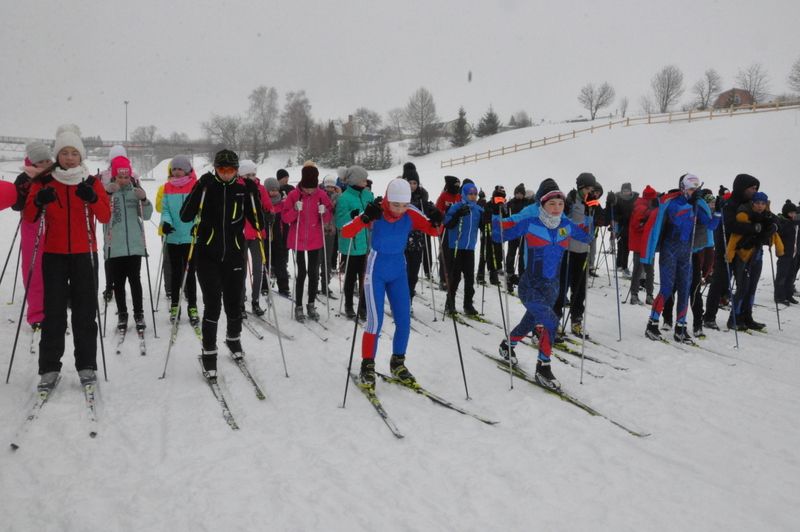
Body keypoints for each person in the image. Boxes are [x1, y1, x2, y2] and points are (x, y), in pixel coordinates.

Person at [23, 124, 111, 389]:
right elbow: (29, 216)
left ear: (81, 156)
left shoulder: (90, 181)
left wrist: (93, 198)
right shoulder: (45, 182)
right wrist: (39, 201)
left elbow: (106, 216)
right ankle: (49, 368)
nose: (69, 157)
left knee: (85, 313)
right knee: (54, 314)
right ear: (57, 155)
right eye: (65, 153)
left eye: (74, 153)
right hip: (54, 256)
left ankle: (86, 365)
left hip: (85, 254)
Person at [491, 178, 593, 390]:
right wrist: (495, 210)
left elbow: (586, 237)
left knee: (529, 322)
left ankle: (506, 345)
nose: (556, 208)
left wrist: (592, 212)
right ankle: (543, 367)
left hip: (552, 289)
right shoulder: (532, 223)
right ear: (542, 205)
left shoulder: (566, 225)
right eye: (551, 204)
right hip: (530, 286)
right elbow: (500, 233)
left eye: (560, 204)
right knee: (550, 321)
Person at [341, 178, 442, 390]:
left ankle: (398, 363)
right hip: (376, 271)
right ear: (387, 200)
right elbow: (346, 232)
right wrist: (364, 218)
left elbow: (434, 231)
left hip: (398, 271)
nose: (400, 210)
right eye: (396, 205)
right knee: (374, 323)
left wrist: (436, 218)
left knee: (404, 321)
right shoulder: (376, 211)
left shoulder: (411, 213)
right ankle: (367, 365)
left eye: (404, 205)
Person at [180, 149, 264, 377]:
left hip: (235, 254)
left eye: (231, 170)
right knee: (212, 305)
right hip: (207, 255)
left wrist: (253, 193)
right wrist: (198, 187)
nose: (226, 174)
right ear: (215, 169)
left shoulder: (241, 189)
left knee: (234, 302)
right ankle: (209, 352)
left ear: (237, 171)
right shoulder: (207, 187)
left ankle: (233, 339)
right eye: (222, 170)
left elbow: (258, 224)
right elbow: (185, 215)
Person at [643, 174, 718, 342]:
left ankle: (681, 327)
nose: (694, 192)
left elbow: (711, 225)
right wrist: (690, 204)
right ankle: (652, 324)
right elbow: (678, 220)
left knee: (685, 288)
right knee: (667, 288)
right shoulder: (674, 203)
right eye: (691, 189)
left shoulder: (697, 203)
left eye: (696, 189)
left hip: (687, 252)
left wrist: (718, 211)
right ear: (683, 188)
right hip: (670, 249)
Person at [103, 156, 153, 333]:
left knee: (135, 281)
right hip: (115, 246)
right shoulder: (108, 192)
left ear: (130, 176)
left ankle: (138, 313)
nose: (123, 180)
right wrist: (106, 195)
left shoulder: (135, 191)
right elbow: (101, 215)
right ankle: (122, 314)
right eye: (119, 177)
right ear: (114, 176)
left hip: (134, 246)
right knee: (118, 283)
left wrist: (145, 199)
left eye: (126, 177)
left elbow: (146, 216)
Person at [282, 163, 333, 322]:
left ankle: (311, 303)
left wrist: (324, 212)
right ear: (302, 183)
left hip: (314, 239)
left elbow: (327, 218)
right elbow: (285, 218)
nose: (309, 191)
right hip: (297, 239)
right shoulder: (294, 195)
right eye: (307, 187)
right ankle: (298, 306)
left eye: (312, 187)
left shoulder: (321, 195)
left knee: (313, 272)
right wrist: (295, 210)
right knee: (301, 273)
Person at [725, 190, 781, 330]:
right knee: (742, 288)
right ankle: (734, 318)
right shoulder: (745, 215)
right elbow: (734, 237)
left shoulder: (767, 217)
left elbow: (775, 229)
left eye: (763, 203)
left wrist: (774, 234)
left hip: (757, 256)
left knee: (752, 288)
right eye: (758, 203)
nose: (760, 206)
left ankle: (747, 317)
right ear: (753, 203)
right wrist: (729, 254)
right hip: (744, 256)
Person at [12, 142, 53, 331]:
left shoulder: (56, 174)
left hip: (53, 225)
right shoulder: (24, 178)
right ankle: (36, 313)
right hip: (32, 225)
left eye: (47, 160)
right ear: (32, 162)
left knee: (54, 269)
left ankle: (54, 308)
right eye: (40, 161)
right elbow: (16, 204)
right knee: (34, 270)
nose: (45, 164)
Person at [554, 172, 598, 338]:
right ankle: (555, 320)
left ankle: (576, 321)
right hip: (568, 250)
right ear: (580, 187)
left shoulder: (591, 204)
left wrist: (600, 210)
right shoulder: (570, 201)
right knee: (562, 287)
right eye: (587, 188)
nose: (589, 192)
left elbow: (600, 222)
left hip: (582, 251)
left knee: (579, 290)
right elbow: (560, 221)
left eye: (591, 189)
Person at [159, 155, 199, 327]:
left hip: (190, 237)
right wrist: (166, 223)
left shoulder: (195, 186)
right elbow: (165, 209)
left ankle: (192, 306)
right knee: (176, 273)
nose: (176, 171)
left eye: (179, 168)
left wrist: (197, 224)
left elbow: (200, 210)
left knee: (190, 274)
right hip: (174, 237)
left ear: (187, 170)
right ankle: (175, 305)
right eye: (174, 169)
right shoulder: (167, 187)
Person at [334, 165, 374, 319]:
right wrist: (352, 215)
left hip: (366, 244)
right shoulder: (344, 198)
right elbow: (339, 223)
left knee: (364, 278)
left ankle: (363, 307)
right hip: (351, 245)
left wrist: (376, 208)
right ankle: (349, 305)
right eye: (363, 179)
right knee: (351, 278)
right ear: (356, 180)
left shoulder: (367, 194)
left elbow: (372, 216)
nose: (366, 181)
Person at [443, 182, 483, 316]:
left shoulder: (478, 209)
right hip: (456, 247)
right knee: (455, 277)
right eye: (470, 194)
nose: (473, 197)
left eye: (475, 194)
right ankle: (450, 303)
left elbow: (484, 226)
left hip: (469, 248)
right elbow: (447, 224)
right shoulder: (456, 207)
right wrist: (457, 215)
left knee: (470, 278)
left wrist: (488, 218)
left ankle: (468, 304)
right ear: (464, 195)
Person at [238, 160, 270, 316]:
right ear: (241, 175)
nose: (251, 177)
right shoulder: (237, 189)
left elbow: (268, 206)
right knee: (241, 270)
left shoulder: (260, 189)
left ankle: (255, 301)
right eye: (247, 175)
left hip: (257, 234)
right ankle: (240, 302)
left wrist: (269, 214)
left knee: (258, 269)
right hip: (241, 235)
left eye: (253, 174)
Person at [403, 163, 433, 305]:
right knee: (402, 272)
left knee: (413, 273)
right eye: (410, 182)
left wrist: (432, 213)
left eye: (415, 183)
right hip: (401, 240)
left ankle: (409, 297)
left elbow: (426, 216)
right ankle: (402, 299)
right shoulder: (399, 196)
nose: (412, 186)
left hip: (417, 241)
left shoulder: (422, 199)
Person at [628, 185, 659, 305]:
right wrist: (648, 220)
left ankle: (649, 295)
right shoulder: (641, 207)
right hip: (640, 244)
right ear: (651, 198)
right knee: (639, 270)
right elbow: (637, 225)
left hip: (648, 244)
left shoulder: (647, 206)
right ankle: (635, 295)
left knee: (649, 271)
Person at [262, 177, 291, 298]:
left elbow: (286, 221)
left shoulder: (282, 203)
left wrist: (286, 239)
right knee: (265, 262)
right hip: (265, 238)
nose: (274, 192)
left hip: (279, 238)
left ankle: (284, 287)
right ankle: (263, 285)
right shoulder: (263, 202)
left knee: (281, 263)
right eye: (271, 190)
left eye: (276, 189)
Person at [503, 183, 528, 293]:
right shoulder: (511, 203)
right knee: (511, 254)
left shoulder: (526, 203)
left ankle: (522, 276)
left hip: (522, 233)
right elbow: (505, 212)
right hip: (513, 232)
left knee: (522, 254)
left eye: (521, 194)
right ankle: (509, 274)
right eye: (517, 193)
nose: (519, 195)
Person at [319, 174, 340, 298]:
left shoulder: (338, 197)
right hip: (318, 230)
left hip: (331, 231)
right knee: (317, 259)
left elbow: (339, 211)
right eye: (328, 186)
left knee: (327, 258)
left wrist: (339, 196)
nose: (330, 189)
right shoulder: (319, 195)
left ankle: (325, 284)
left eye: (332, 187)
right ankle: (314, 283)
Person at [775, 201, 799, 304]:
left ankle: (788, 294)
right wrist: (792, 223)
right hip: (784, 253)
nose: (793, 215)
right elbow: (782, 232)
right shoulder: (783, 222)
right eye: (791, 213)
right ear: (786, 213)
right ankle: (779, 296)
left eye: (795, 213)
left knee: (790, 275)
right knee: (782, 275)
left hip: (793, 254)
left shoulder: (793, 223)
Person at [613, 182, 637, 276]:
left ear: (630, 191)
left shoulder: (634, 199)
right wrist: (621, 217)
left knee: (626, 248)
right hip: (621, 226)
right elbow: (615, 213)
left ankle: (623, 266)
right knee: (621, 246)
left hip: (631, 227)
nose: (625, 192)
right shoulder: (618, 199)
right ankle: (621, 266)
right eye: (624, 190)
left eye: (627, 190)